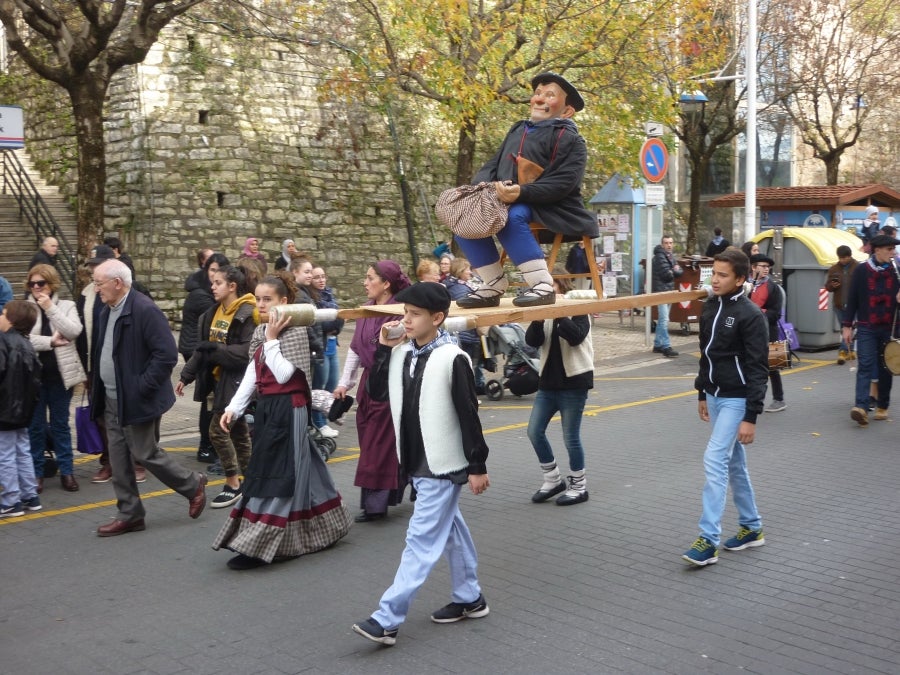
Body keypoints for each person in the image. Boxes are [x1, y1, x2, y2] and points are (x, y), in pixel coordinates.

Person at [351, 282, 490, 646]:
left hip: (443, 464)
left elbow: (468, 414)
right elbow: (377, 392)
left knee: (420, 539)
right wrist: (383, 348)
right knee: (452, 531)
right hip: (414, 459)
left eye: (414, 314)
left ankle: (387, 618)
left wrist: (477, 465)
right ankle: (470, 597)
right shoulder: (402, 352)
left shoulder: (453, 357)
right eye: (404, 313)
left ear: (438, 318)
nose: (406, 320)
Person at [211, 271, 353, 569]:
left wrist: (272, 340)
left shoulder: (295, 330)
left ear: (284, 302)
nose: (261, 305)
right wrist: (234, 407)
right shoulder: (263, 330)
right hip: (268, 408)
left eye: (268, 300)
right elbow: (255, 369)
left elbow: (287, 374)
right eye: (258, 299)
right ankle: (329, 526)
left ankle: (260, 542)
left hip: (290, 408)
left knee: (279, 471)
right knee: (301, 465)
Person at [453, 72, 598, 309]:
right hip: (506, 199)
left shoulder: (571, 140)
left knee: (513, 216)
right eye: (538, 93)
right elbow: (493, 164)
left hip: (553, 206)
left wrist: (522, 192)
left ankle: (541, 285)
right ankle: (492, 283)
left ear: (567, 111)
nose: (539, 99)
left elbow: (564, 183)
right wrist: (485, 187)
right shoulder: (518, 129)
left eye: (549, 95)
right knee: (465, 219)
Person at [89, 259, 208, 536]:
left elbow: (166, 355)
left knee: (144, 452)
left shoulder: (144, 310)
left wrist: (140, 387)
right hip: (111, 397)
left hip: (136, 398)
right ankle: (130, 514)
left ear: (117, 283)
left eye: (99, 283)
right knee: (118, 459)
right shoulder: (106, 310)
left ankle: (193, 485)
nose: (96, 289)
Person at [683, 248, 768, 566]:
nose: (714, 280)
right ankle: (752, 527)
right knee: (733, 465)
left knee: (715, 458)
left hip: (737, 398)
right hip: (716, 396)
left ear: (740, 279)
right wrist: (702, 393)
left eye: (722, 275)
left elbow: (758, 367)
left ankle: (708, 539)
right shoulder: (709, 307)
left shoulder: (750, 314)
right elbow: (706, 355)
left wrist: (751, 416)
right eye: (713, 273)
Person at [334, 260, 412, 523]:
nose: (365, 282)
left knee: (378, 445)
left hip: (390, 384)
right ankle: (403, 485)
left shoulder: (400, 314)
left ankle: (376, 504)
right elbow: (356, 349)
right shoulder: (366, 311)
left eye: (370, 278)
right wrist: (345, 383)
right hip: (370, 384)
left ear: (386, 283)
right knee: (371, 441)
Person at [176, 265, 257, 509]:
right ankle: (253, 481)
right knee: (239, 432)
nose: (212, 287)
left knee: (218, 431)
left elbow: (247, 352)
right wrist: (186, 375)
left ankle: (233, 484)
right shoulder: (211, 313)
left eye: (218, 282)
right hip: (218, 382)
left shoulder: (247, 312)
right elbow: (203, 349)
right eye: (212, 282)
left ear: (232, 286)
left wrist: (218, 350)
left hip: (237, 381)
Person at [76, 245, 146, 485]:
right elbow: (82, 333)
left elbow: (158, 347)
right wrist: (85, 368)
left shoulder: (135, 296)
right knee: (102, 419)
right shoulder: (86, 294)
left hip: (127, 370)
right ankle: (110, 462)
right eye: (93, 266)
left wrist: (143, 378)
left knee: (131, 419)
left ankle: (137, 461)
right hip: (97, 367)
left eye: (99, 265)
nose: (95, 270)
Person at [526, 274, 593, 506]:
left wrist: (560, 313)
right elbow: (532, 342)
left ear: (561, 289)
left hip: (574, 383)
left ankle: (579, 486)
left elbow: (576, 337)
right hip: (548, 384)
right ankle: (553, 479)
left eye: (549, 288)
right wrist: (536, 319)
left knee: (570, 438)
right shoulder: (544, 314)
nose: (545, 294)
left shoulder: (579, 311)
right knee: (534, 431)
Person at [25, 264, 86, 493]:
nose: (37, 287)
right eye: (33, 284)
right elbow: (22, 339)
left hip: (62, 377)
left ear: (52, 284)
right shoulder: (25, 307)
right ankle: (37, 473)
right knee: (36, 427)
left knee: (60, 425)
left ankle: (67, 472)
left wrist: (50, 308)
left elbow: (73, 331)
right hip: (34, 378)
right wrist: (49, 341)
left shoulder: (67, 305)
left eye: (42, 283)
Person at [841, 234, 900, 426]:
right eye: (889, 249)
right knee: (865, 364)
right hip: (867, 326)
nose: (893, 253)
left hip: (890, 327)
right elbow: (853, 299)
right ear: (877, 250)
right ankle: (861, 407)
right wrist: (847, 325)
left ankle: (883, 405)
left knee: (886, 367)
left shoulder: (896, 270)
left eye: (893, 249)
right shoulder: (861, 270)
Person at [178, 252, 228, 463]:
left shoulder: (209, 292)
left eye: (219, 271)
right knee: (208, 399)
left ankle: (211, 443)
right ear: (205, 270)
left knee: (212, 399)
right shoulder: (201, 295)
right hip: (197, 350)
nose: (215, 276)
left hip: (205, 349)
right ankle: (205, 446)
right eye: (212, 270)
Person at [0, 300, 42, 517]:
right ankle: (30, 495)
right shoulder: (27, 344)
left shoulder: (3, 342)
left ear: (11, 320)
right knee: (22, 451)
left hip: (4, 408)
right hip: (24, 409)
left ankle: (10, 501)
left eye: (3, 313)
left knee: (4, 454)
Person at [748, 254, 787, 413]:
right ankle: (751, 398)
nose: (766, 269)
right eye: (762, 266)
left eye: (767, 266)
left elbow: (776, 313)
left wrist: (758, 313)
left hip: (770, 331)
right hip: (748, 332)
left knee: (773, 365)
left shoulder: (773, 287)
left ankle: (779, 399)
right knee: (749, 365)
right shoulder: (745, 284)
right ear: (753, 267)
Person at [442, 258, 486, 394]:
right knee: (468, 364)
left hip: (462, 332)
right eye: (467, 269)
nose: (469, 272)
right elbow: (469, 309)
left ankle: (472, 387)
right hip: (465, 332)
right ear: (460, 271)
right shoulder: (460, 288)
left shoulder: (454, 285)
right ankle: (469, 390)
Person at [310, 266, 345, 434]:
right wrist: (333, 323)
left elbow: (339, 321)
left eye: (323, 276)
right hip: (321, 346)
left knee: (332, 384)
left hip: (332, 344)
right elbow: (322, 324)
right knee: (320, 387)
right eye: (317, 277)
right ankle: (318, 423)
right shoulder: (311, 299)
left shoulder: (329, 295)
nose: (321, 280)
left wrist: (335, 325)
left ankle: (325, 420)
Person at [825, 245, 859, 365]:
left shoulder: (858, 267)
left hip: (854, 305)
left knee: (851, 328)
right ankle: (850, 351)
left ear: (850, 256)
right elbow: (828, 287)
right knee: (844, 328)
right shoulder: (834, 269)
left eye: (845, 258)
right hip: (839, 304)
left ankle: (843, 352)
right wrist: (832, 285)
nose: (842, 260)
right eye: (840, 258)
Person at [651, 234, 683, 358]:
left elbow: (680, 272)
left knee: (662, 320)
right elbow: (667, 275)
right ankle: (666, 346)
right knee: (664, 319)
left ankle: (658, 344)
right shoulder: (660, 257)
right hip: (661, 292)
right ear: (662, 244)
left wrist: (674, 270)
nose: (669, 245)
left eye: (670, 243)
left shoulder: (669, 256)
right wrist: (674, 269)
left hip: (668, 291)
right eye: (666, 243)